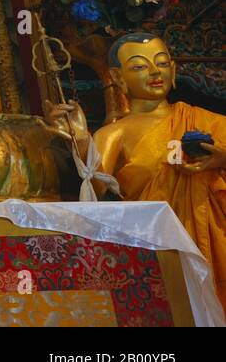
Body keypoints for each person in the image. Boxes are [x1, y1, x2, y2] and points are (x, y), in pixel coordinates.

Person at [46, 32, 226, 305]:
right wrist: (81, 140)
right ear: (118, 78)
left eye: (162, 63)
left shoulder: (210, 121)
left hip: (214, 241)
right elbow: (95, 191)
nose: (155, 72)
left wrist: (221, 161)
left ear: (174, 69)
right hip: (155, 245)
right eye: (140, 66)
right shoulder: (113, 134)